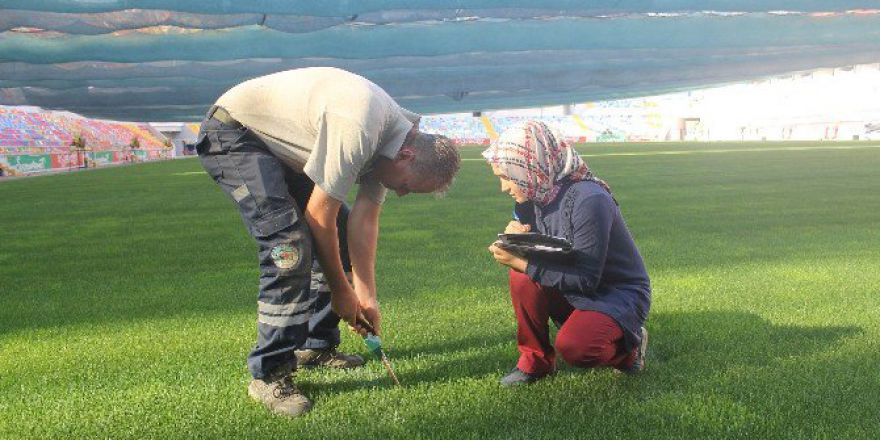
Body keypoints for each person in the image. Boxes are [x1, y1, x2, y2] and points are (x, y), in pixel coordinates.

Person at [194, 67, 460, 416]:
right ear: (408, 157)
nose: (401, 193)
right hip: (236, 134)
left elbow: (364, 221)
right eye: (406, 185)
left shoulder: (395, 140)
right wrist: (340, 290)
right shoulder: (361, 127)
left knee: (344, 228)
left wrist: (366, 295)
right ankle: (269, 373)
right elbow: (319, 217)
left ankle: (315, 345)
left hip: (281, 148)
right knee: (287, 245)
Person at [483, 121, 650, 386]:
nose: (504, 187)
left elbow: (586, 278)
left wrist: (522, 262)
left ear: (530, 166)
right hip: (575, 279)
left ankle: (629, 349)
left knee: (577, 348)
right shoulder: (538, 193)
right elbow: (548, 246)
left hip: (615, 291)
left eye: (506, 176)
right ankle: (535, 361)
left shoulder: (589, 199)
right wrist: (518, 236)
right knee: (521, 277)